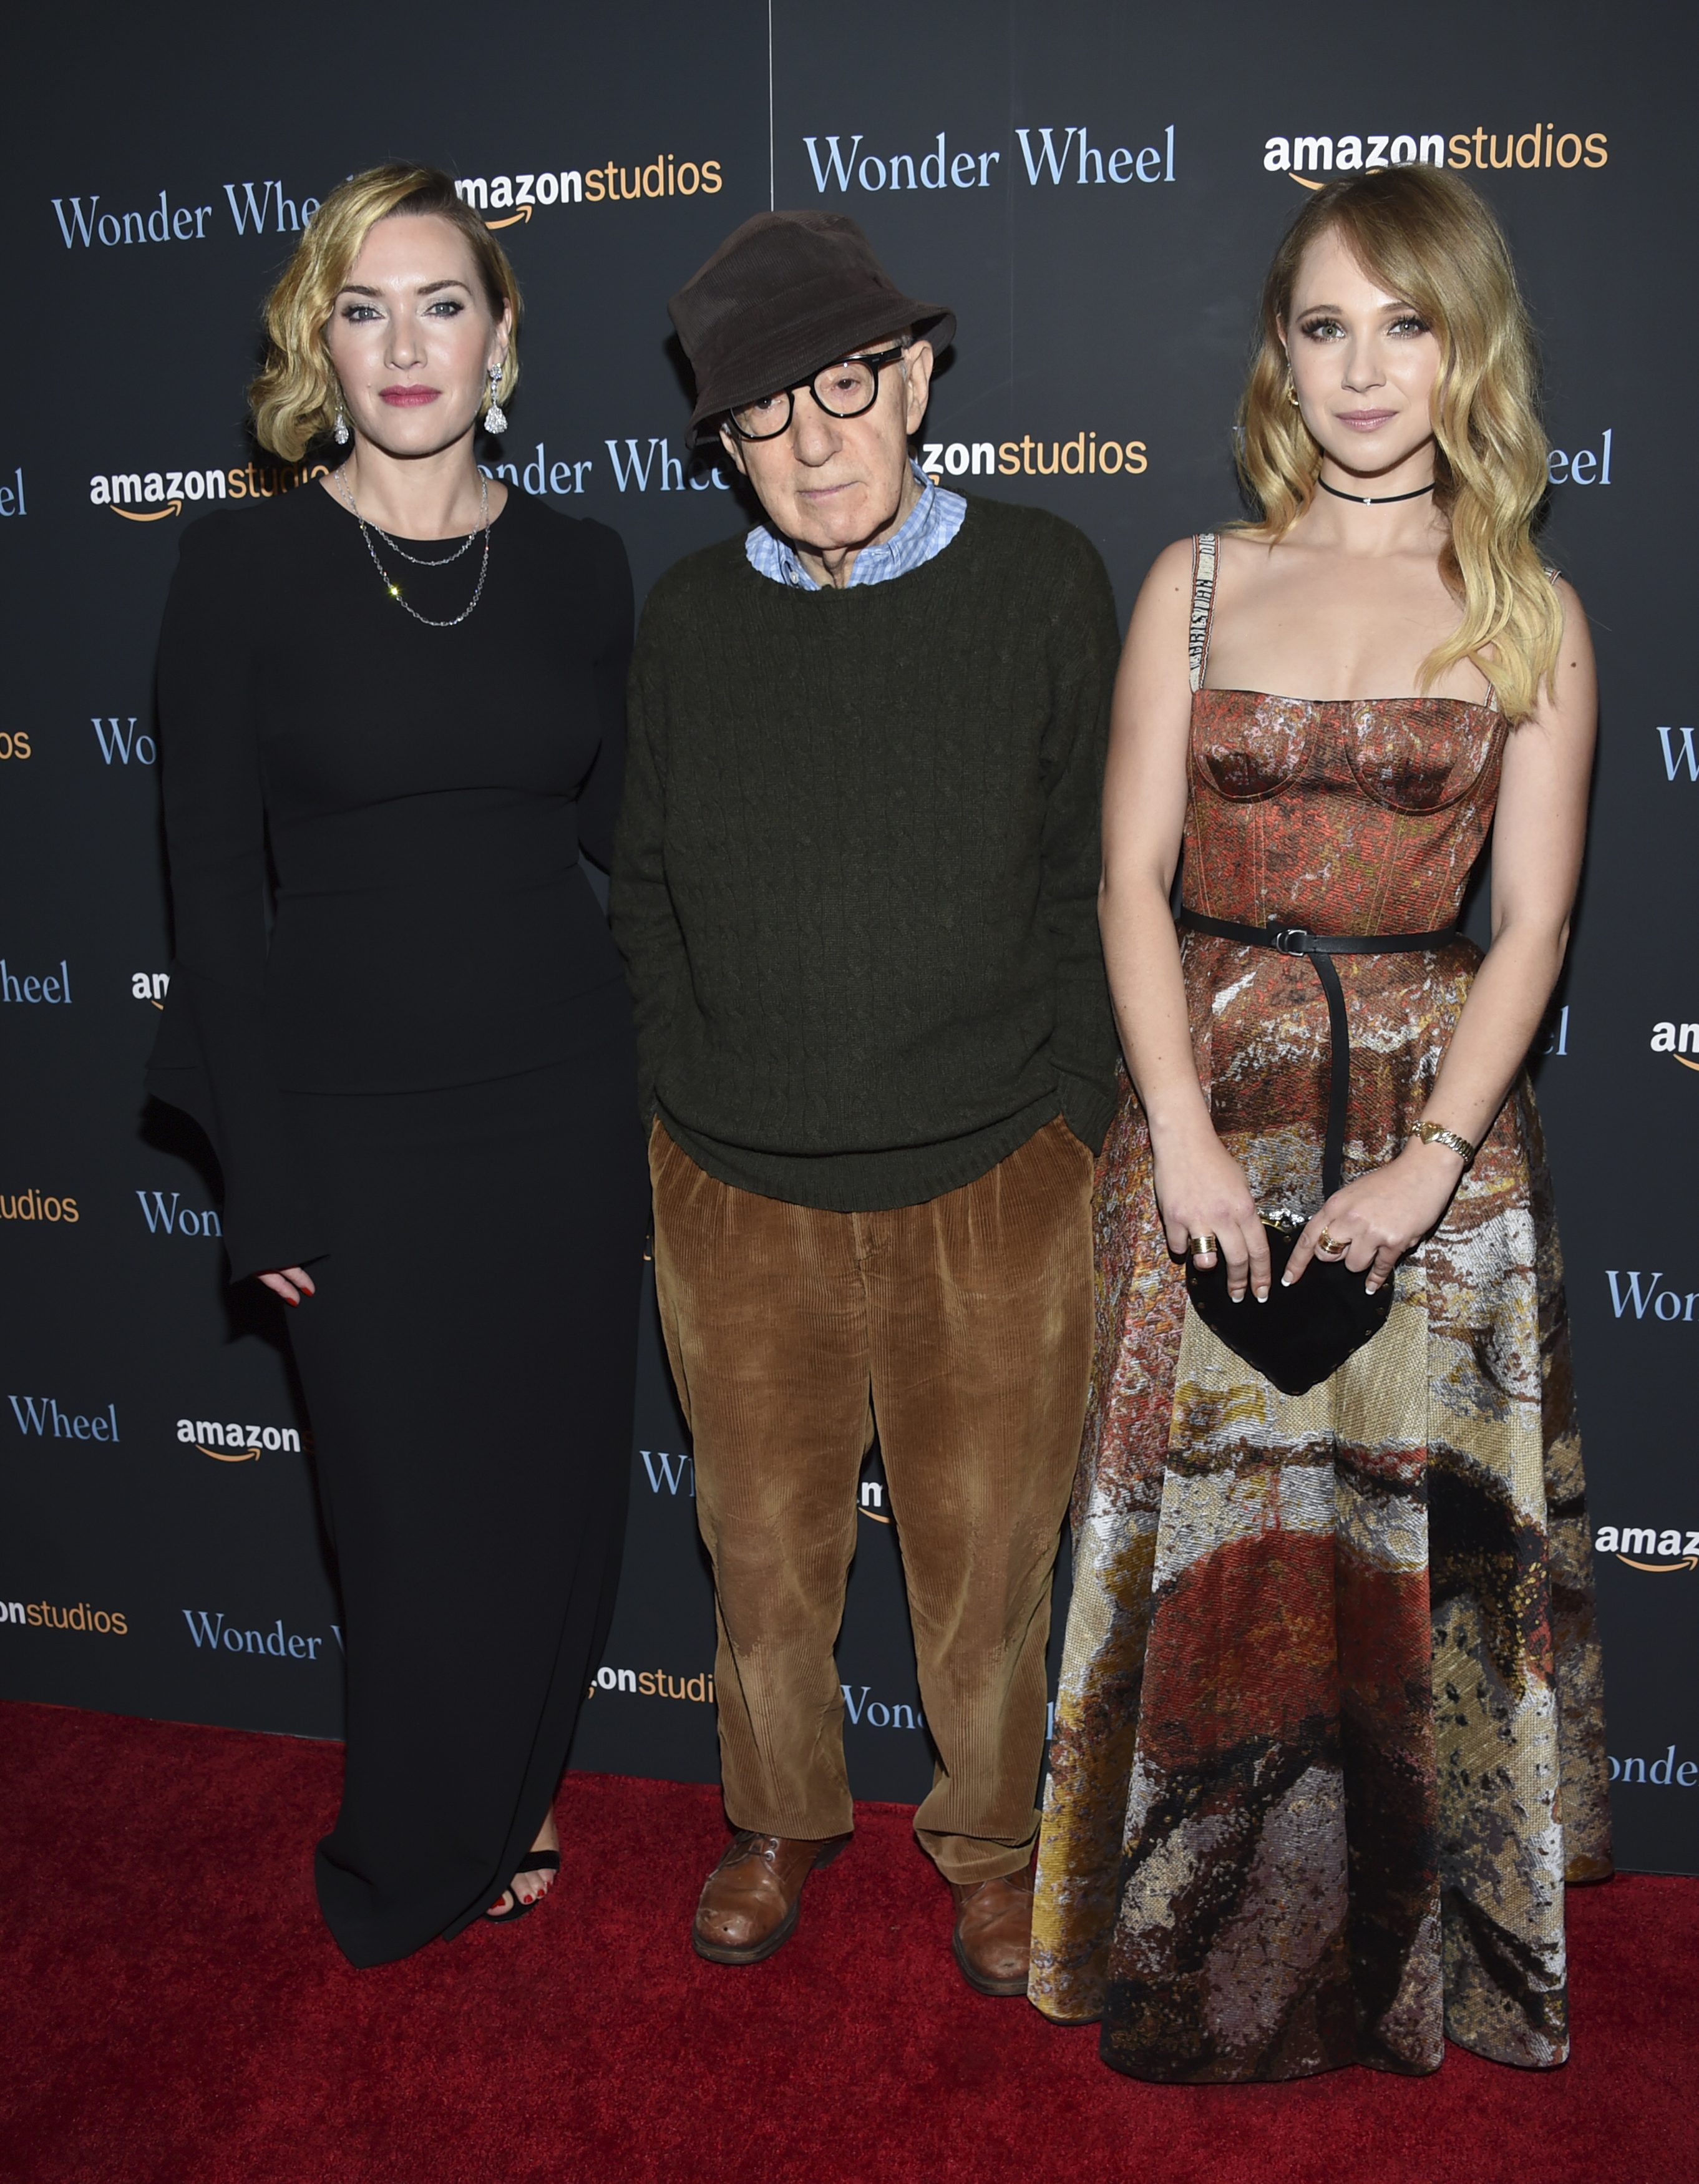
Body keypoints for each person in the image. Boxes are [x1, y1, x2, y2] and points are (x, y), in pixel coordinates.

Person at [1030, 164, 1612, 2079]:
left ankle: (1407, 1956)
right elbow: (1124, 880)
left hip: (1431, 1136)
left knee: (1405, 1549)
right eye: (1324, 324)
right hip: (1210, 1105)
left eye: (1405, 321)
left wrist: (1428, 1166)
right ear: (1280, 352)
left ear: (1466, 344)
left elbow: (1527, 921)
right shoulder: (1191, 581)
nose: (1364, 368)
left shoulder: (1527, 607)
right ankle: (1188, 1945)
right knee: (1207, 1540)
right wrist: (1181, 1140)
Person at [611, 211, 1121, 1993]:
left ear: (911, 377)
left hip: (997, 1172)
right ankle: (779, 1818)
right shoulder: (680, 617)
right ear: (721, 437)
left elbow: (1090, 880)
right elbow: (645, 886)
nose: (812, 443)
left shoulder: (1046, 577)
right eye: (762, 413)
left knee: (990, 1568)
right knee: (757, 1561)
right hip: (735, 1186)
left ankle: (990, 1840)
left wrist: (1068, 1122)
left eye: (842, 389)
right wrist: (680, 1110)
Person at [146, 164, 645, 1965]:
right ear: (320, 345)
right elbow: (206, 881)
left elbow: (633, 844)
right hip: (350, 1130)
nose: (405, 342)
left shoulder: (582, 566)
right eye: (365, 308)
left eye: (441, 302)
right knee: (399, 1498)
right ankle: (415, 1824)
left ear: (500, 338)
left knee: (553, 1484)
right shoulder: (244, 564)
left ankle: (516, 1785)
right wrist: (255, 1163)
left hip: (568, 1107)